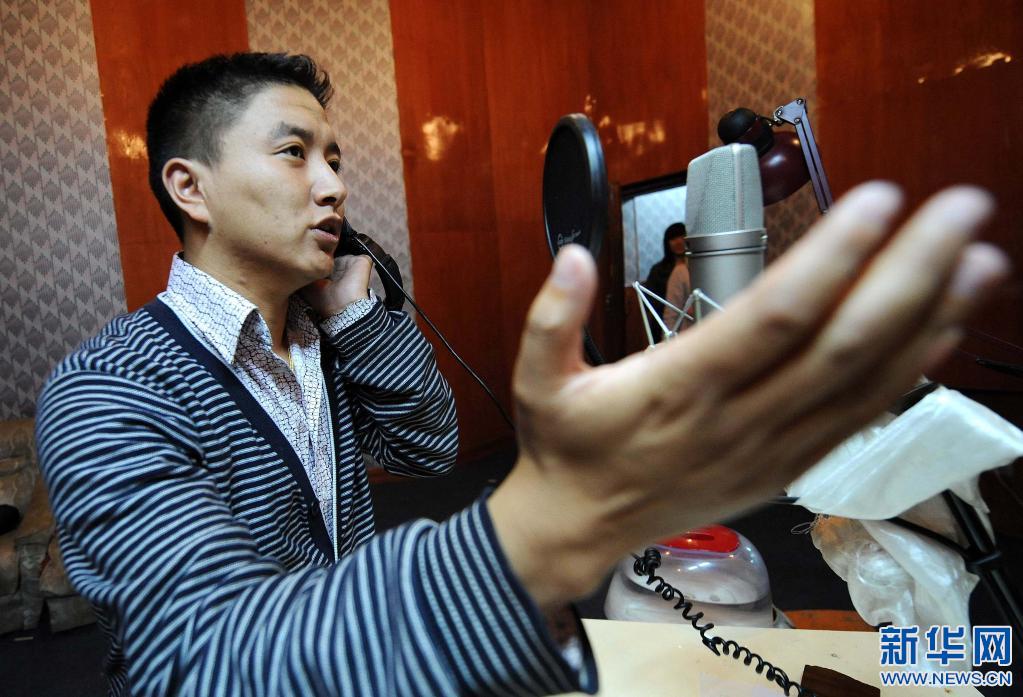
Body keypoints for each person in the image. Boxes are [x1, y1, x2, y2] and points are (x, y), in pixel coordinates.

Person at [35, 52, 1009, 697]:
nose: (334, 185)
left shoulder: (317, 337)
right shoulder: (109, 388)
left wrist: (360, 315)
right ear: (189, 186)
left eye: (334, 157)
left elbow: (427, 444)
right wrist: (546, 520)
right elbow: (206, 658)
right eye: (294, 155)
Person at [642, 222, 687, 317]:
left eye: (682, 236)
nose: (678, 242)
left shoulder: (696, 267)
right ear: (667, 243)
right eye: (673, 238)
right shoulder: (658, 270)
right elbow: (648, 301)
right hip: (664, 317)